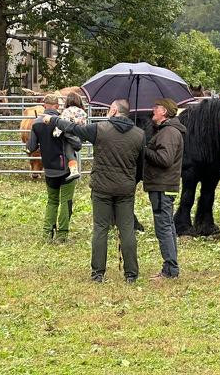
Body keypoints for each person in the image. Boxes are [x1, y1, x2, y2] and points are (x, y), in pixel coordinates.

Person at [58, 99, 145, 282]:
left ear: (114, 110)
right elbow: (141, 165)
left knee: (100, 229)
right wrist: (131, 182)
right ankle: (131, 274)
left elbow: (75, 129)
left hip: (101, 188)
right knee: (127, 229)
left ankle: (98, 273)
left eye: (108, 108)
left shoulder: (99, 129)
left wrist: (54, 121)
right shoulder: (139, 134)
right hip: (125, 189)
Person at [27, 93, 81, 242]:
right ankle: (62, 235)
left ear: (44, 105)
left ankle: (47, 233)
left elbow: (31, 147)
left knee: (52, 201)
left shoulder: (36, 123)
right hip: (66, 168)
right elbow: (77, 144)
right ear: (57, 106)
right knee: (66, 201)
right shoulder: (62, 122)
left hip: (49, 168)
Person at [144, 98, 186, 280]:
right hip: (165, 185)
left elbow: (165, 159)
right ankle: (171, 268)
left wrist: (144, 150)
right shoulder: (167, 131)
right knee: (168, 226)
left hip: (162, 185)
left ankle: (170, 269)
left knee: (163, 228)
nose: (153, 110)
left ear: (165, 112)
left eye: (157, 107)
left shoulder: (168, 132)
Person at [59, 92, 89, 181]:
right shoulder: (82, 112)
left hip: (69, 135)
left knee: (68, 153)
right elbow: (84, 125)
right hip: (78, 135)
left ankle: (73, 171)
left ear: (68, 101)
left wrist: (56, 133)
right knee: (72, 153)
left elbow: (62, 123)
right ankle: (71, 170)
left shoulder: (66, 111)